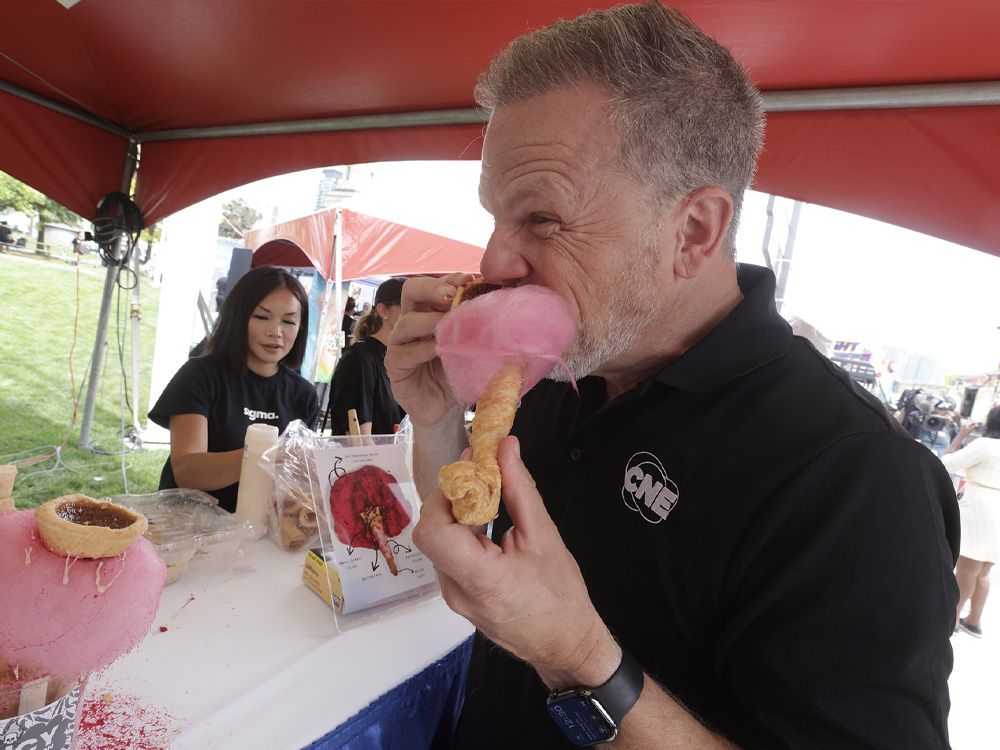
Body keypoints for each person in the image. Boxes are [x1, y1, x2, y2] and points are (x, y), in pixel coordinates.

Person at [385, 3, 959, 748]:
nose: (495, 262)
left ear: (693, 232)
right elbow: (472, 558)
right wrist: (434, 422)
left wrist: (581, 659)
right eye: (497, 216)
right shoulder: (565, 370)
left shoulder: (857, 478)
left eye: (543, 220)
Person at [149, 265, 319, 513]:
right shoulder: (200, 375)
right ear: (239, 318)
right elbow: (187, 470)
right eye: (262, 317)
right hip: (191, 529)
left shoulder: (303, 395)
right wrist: (269, 455)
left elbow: (296, 485)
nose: (276, 332)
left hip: (265, 537)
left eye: (289, 321)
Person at [942, 406, 1000, 638]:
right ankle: (974, 621)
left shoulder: (985, 445)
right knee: (983, 571)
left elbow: (946, 462)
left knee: (967, 569)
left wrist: (961, 435)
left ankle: (954, 620)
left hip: (979, 507)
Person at [327, 278, 406, 436]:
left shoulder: (401, 362)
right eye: (409, 307)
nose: (417, 315)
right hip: (370, 460)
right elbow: (359, 441)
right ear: (384, 311)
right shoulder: (359, 359)